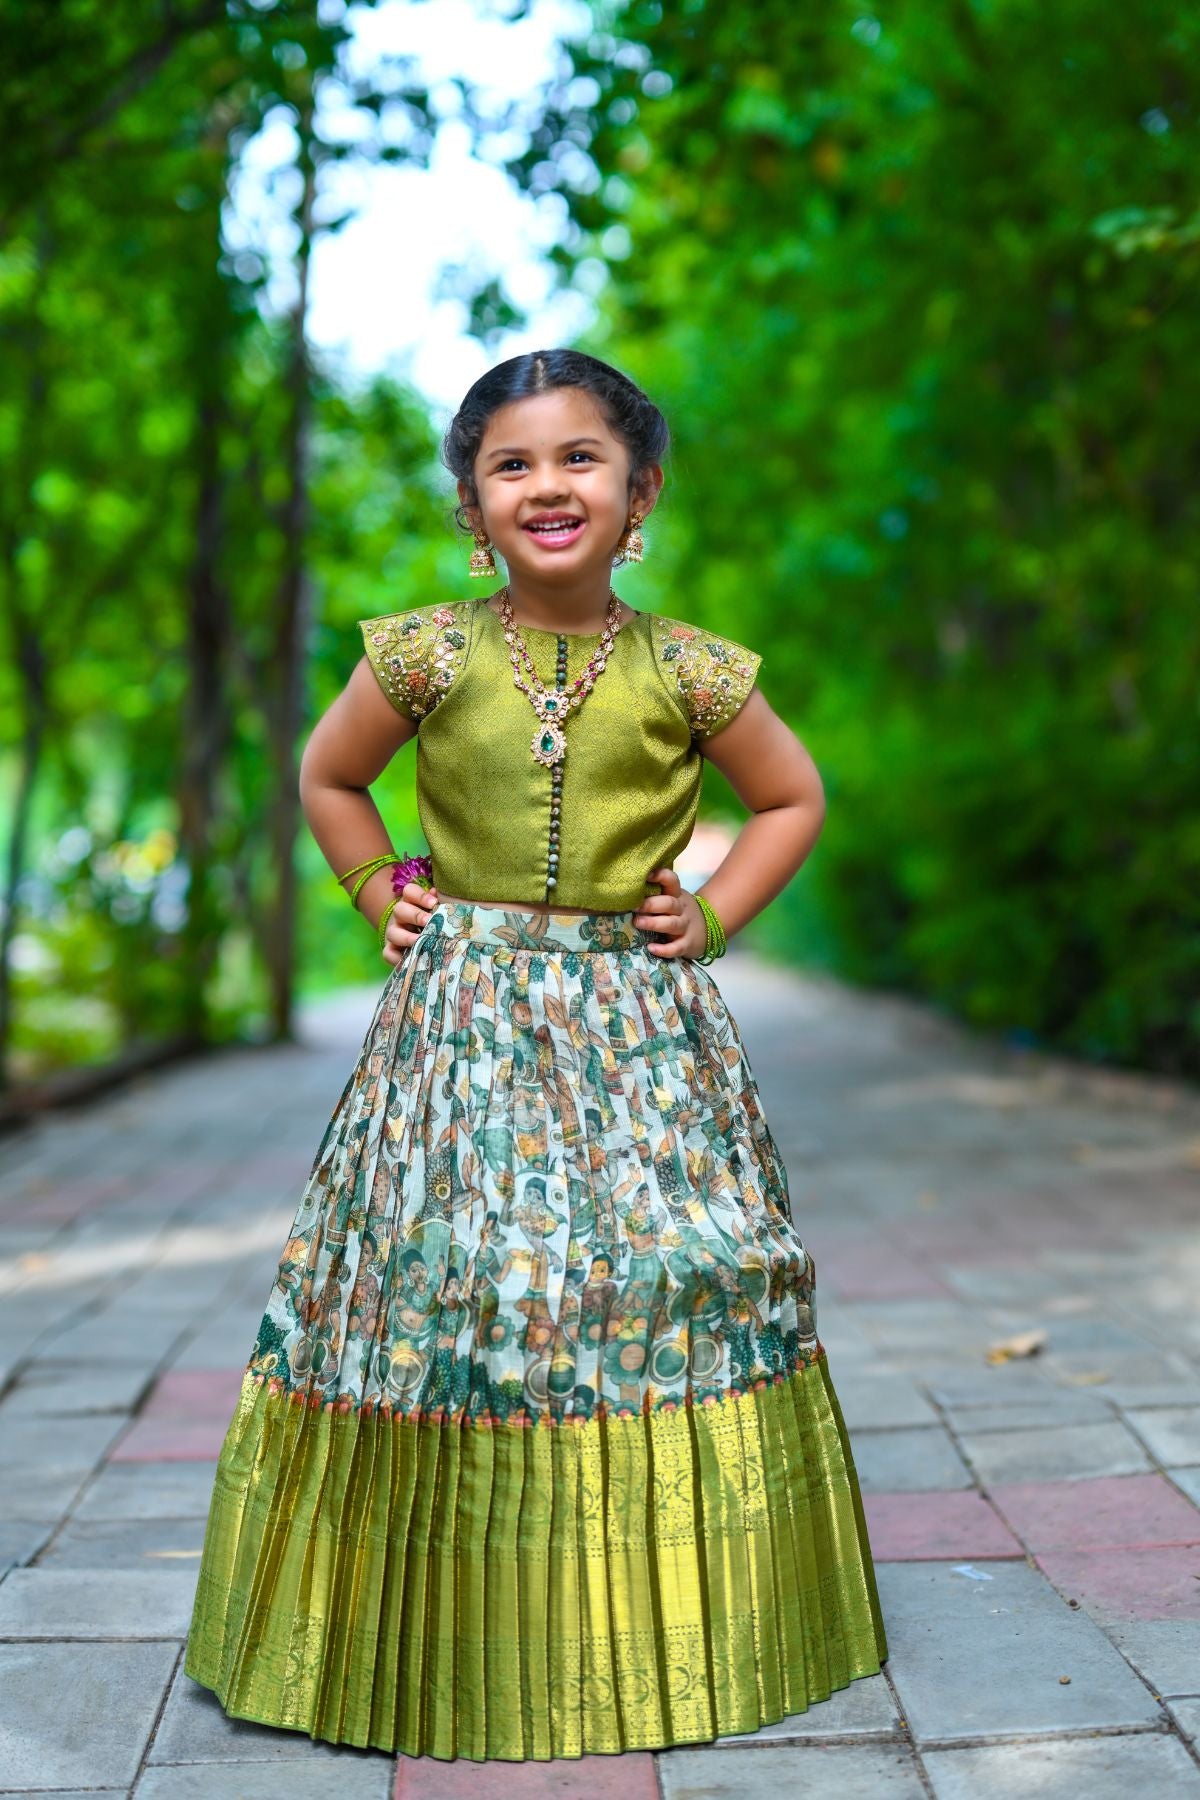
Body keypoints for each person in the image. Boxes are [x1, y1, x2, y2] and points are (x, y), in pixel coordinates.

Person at [184, 347, 887, 1761]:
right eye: (513, 463)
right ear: (471, 501)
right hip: (461, 1029)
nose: (548, 484)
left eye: (581, 459)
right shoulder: (426, 654)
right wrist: (381, 890)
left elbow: (792, 798)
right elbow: (328, 778)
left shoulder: (688, 666)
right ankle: (434, 1622)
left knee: (658, 1271)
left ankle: (678, 1618)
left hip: (639, 1028)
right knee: (456, 1281)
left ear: (641, 494)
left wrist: (720, 910)